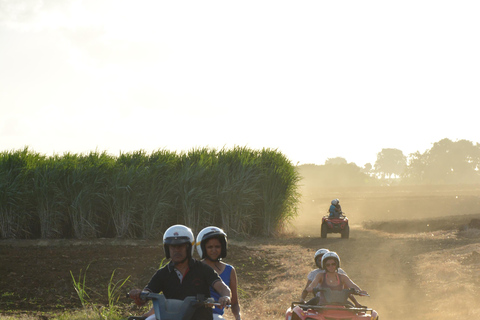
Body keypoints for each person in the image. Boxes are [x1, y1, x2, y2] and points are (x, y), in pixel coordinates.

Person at [128, 224, 231, 320]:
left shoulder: (203, 269)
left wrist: (225, 297)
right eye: (172, 247)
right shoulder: (162, 274)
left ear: (189, 247)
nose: (176, 250)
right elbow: (147, 293)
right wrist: (139, 296)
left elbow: (222, 287)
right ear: (167, 249)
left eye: (180, 246)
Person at [196, 226, 242, 320]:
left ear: (223, 248)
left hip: (216, 316)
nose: (214, 250)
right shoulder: (195, 268)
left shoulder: (229, 270)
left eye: (217, 247)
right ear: (203, 248)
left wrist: (238, 317)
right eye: (210, 247)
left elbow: (234, 303)